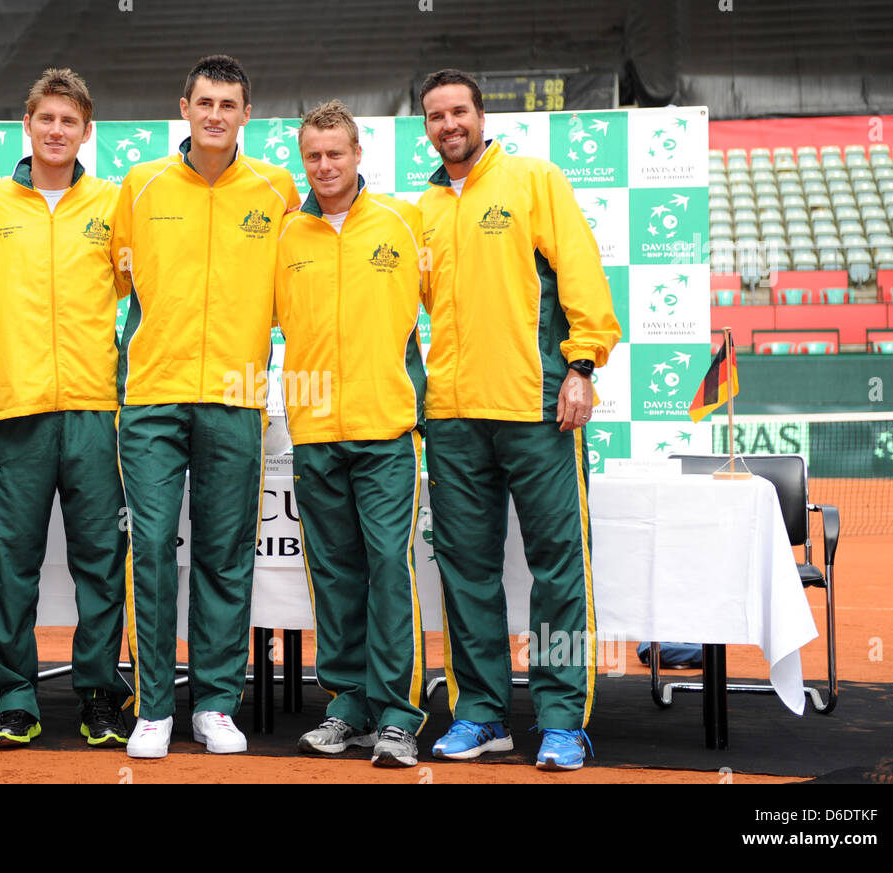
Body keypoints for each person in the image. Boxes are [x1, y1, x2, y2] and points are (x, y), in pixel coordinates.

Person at [417, 69, 621, 770]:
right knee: (467, 572)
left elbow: (584, 276)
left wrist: (583, 365)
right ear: (426, 127)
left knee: (558, 569)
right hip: (450, 417)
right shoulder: (424, 209)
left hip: (538, 409)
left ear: (481, 115)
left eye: (459, 111)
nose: (449, 124)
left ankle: (562, 718)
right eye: (436, 115)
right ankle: (481, 713)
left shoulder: (535, 179)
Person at [111, 55, 300, 758]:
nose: (216, 114)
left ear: (247, 114)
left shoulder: (276, 189)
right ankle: (155, 706)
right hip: (154, 395)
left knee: (225, 552)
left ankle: (215, 702)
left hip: (236, 396)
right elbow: (114, 276)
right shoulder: (142, 184)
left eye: (229, 104)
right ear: (183, 108)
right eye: (205, 102)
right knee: (154, 548)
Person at [0, 69, 131, 750]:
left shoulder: (113, 203)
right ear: (28, 124)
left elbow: (146, 292)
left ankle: (100, 694)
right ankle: (14, 696)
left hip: (96, 409)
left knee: (102, 558)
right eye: (46, 118)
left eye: (70, 121)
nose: (57, 131)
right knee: (10, 562)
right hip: (14, 412)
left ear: (86, 131)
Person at [275, 100, 429, 768]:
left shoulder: (403, 220)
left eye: (336, 152)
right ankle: (347, 708)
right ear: (302, 160)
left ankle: (398, 715)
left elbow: (448, 310)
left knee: (388, 570)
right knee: (334, 573)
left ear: (358, 152)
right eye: (313, 155)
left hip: (385, 429)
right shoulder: (283, 238)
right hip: (314, 431)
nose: (325, 165)